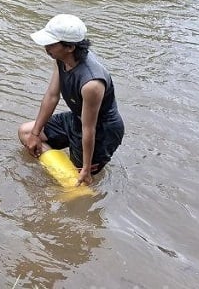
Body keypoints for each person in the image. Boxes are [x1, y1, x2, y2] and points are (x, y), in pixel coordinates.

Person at [19, 14, 125, 186]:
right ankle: (61, 164)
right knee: (26, 132)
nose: (46, 47)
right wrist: (35, 134)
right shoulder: (61, 60)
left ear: (69, 47)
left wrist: (86, 167)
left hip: (102, 131)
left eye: (51, 44)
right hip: (77, 118)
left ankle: (84, 182)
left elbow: (89, 129)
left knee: (77, 180)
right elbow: (52, 96)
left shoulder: (92, 84)